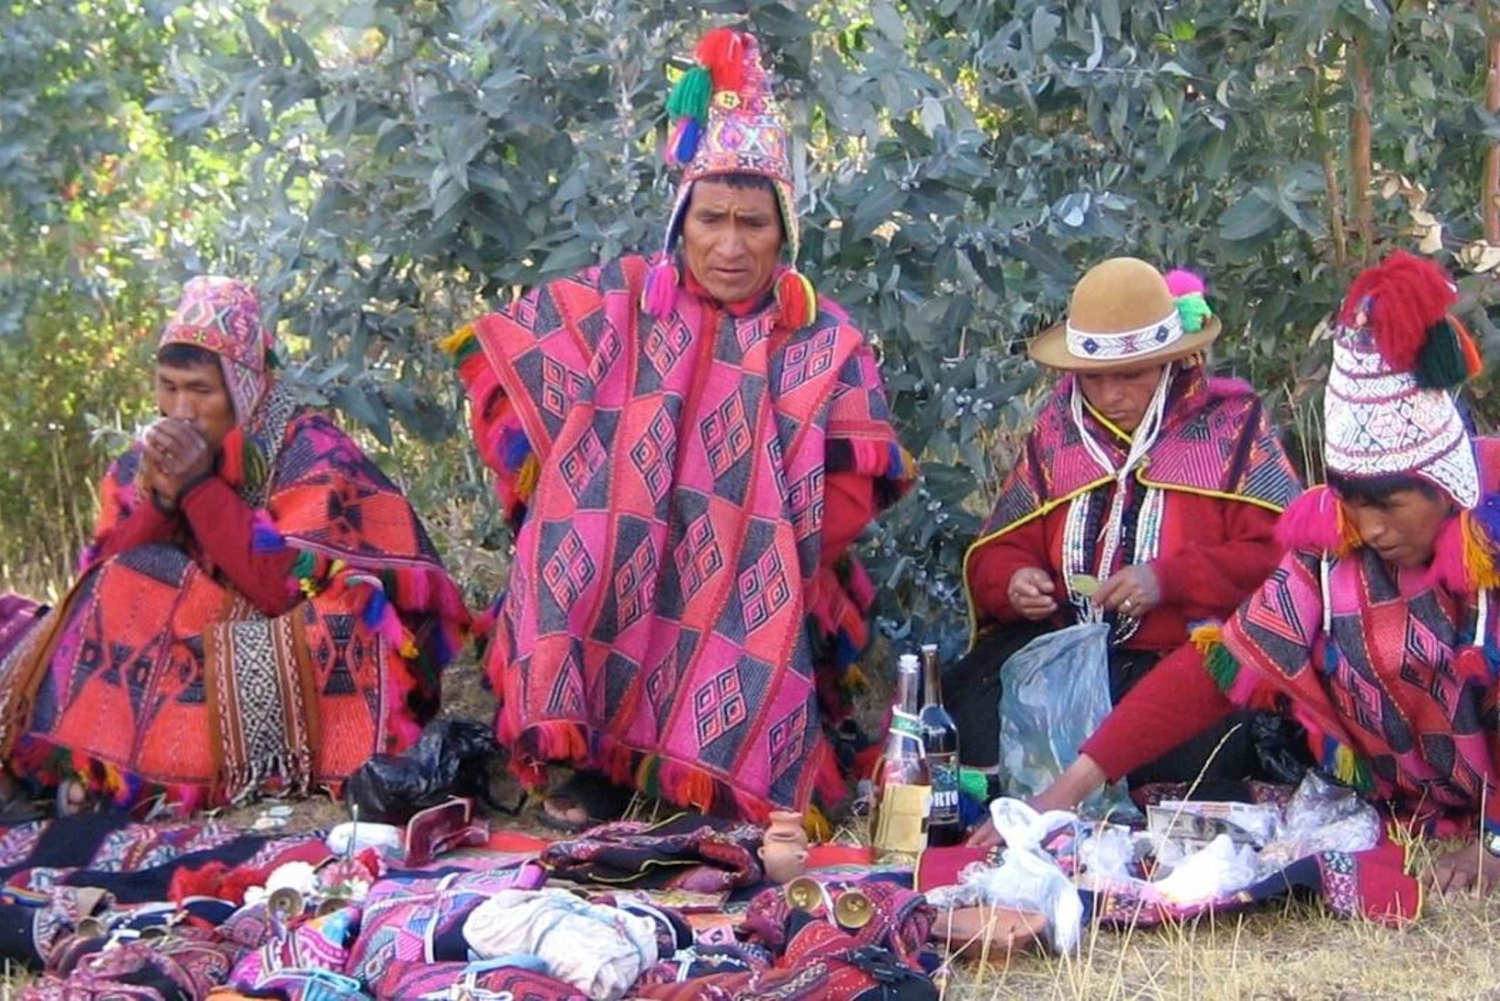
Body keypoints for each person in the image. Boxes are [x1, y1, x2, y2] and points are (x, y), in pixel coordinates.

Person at [444, 28, 911, 829]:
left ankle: (704, 779)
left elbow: (853, 487)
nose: (731, 246)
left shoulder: (821, 340)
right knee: (574, 539)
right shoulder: (621, 302)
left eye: (754, 224)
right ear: (680, 224)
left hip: (764, 558)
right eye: (713, 219)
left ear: (784, 233)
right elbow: (505, 381)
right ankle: (588, 761)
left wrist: (750, 541)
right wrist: (563, 493)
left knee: (730, 584)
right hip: (622, 546)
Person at [976, 252, 1500, 896]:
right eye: (1353, 504)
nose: (1372, 528)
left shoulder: (1488, 541)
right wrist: (1060, 795)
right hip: (1417, 811)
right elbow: (1220, 662)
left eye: (1390, 506)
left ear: (1446, 487)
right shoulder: (1331, 550)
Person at [0, 277, 467, 816]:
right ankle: (90, 768)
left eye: (200, 390)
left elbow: (287, 592)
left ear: (242, 389)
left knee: (344, 627)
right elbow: (99, 587)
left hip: (280, 639)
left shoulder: (310, 450)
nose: (181, 410)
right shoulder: (143, 462)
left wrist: (200, 489)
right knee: (108, 589)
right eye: (167, 386)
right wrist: (163, 501)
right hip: (195, 644)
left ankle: (154, 779)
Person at [951, 258, 1302, 786]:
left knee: (1199, 749)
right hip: (1064, 652)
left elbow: (1280, 561)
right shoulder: (1056, 432)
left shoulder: (1234, 428)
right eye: (1094, 379)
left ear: (1171, 364)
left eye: (1131, 376)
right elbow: (999, 551)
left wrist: (1169, 580)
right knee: (961, 717)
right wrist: (1014, 582)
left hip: (1182, 662)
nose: (1112, 396)